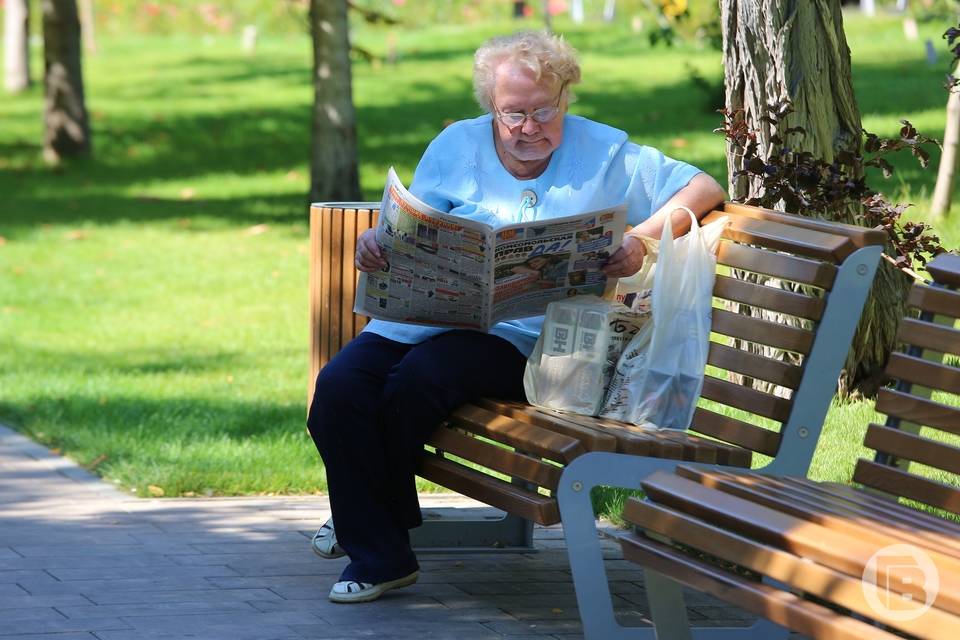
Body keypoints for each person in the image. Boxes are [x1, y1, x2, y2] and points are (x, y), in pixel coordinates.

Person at [306, 30, 726, 604]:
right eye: (513, 115)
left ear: (566, 97)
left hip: (530, 340)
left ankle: (374, 547)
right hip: (427, 317)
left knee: (420, 380)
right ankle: (372, 523)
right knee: (339, 386)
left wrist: (640, 239)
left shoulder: (604, 151)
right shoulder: (456, 145)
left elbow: (703, 187)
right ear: (491, 109)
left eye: (543, 111)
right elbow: (411, 225)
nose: (529, 127)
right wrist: (377, 246)